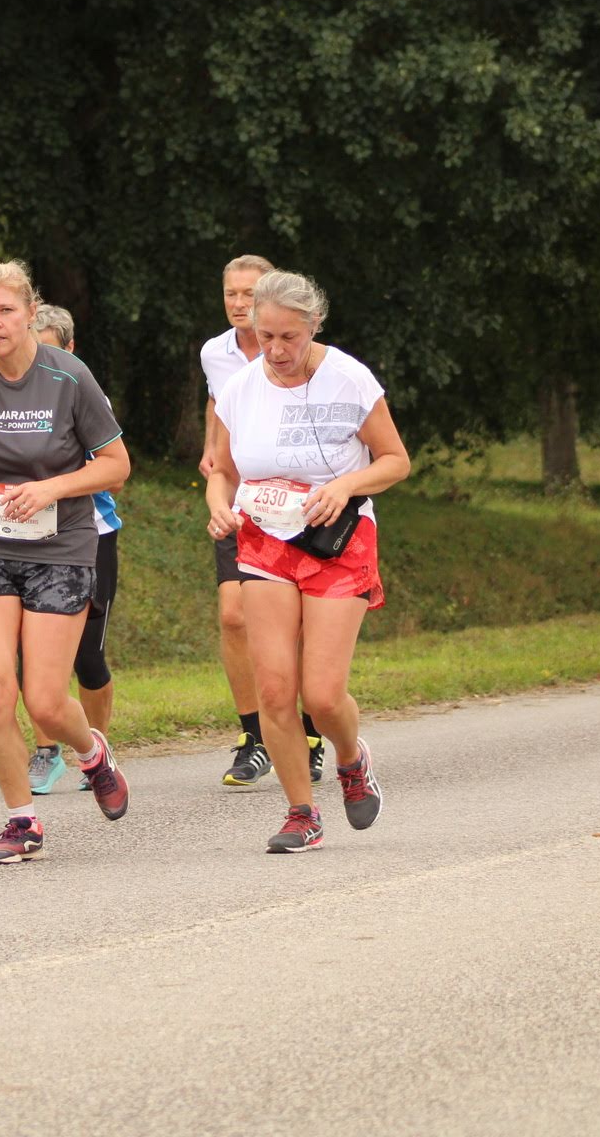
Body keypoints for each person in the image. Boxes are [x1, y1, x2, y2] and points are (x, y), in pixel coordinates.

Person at [0, 261, 134, 862]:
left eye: (6, 310)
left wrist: (50, 489)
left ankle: (91, 753)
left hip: (60, 549)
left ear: (31, 314)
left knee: (44, 702)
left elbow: (116, 466)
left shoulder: (68, 375)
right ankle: (22, 821)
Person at [205, 270, 410, 852]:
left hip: (337, 542)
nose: (275, 350)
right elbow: (222, 470)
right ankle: (302, 812)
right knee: (274, 691)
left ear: (314, 325)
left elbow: (395, 460)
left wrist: (345, 485)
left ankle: (351, 757)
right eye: (265, 336)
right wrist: (219, 506)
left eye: (288, 337)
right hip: (265, 541)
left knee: (321, 696)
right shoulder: (240, 388)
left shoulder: (350, 378)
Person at [199, 254, 327, 785]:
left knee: (297, 622)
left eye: (248, 294)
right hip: (244, 498)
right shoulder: (216, 353)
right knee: (234, 616)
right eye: (230, 293)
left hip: (303, 506)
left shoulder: (310, 354)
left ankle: (309, 733)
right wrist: (212, 456)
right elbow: (218, 405)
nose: (238, 303)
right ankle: (254, 736)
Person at [25, 304, 120, 794]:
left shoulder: (85, 391)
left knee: (86, 656)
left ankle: (96, 749)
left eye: (49, 349)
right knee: (31, 653)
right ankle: (46, 752)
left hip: (90, 535)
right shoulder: (11, 394)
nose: (38, 361)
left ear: (70, 350)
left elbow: (115, 474)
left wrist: (57, 480)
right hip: (25, 535)